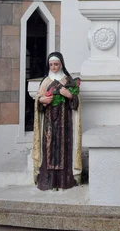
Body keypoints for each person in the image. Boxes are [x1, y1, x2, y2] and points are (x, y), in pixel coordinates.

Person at [32, 52, 82, 190]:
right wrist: (42, 100)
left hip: (64, 123)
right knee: (48, 147)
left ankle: (63, 181)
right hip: (48, 123)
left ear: (61, 65)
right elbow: (38, 98)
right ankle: (48, 181)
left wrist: (70, 95)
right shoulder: (46, 81)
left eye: (56, 64)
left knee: (64, 150)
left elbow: (77, 102)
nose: (54, 67)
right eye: (51, 65)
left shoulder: (68, 81)